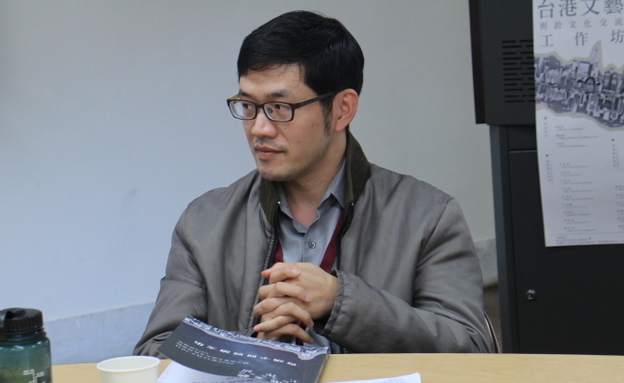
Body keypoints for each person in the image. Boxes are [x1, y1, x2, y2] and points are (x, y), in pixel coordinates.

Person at [134, 10, 495, 356]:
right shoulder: (205, 223)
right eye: (248, 105)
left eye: (280, 108)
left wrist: (342, 303)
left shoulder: (428, 217)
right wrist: (255, 350)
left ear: (342, 110)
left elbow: (470, 347)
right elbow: (156, 352)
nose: (259, 128)